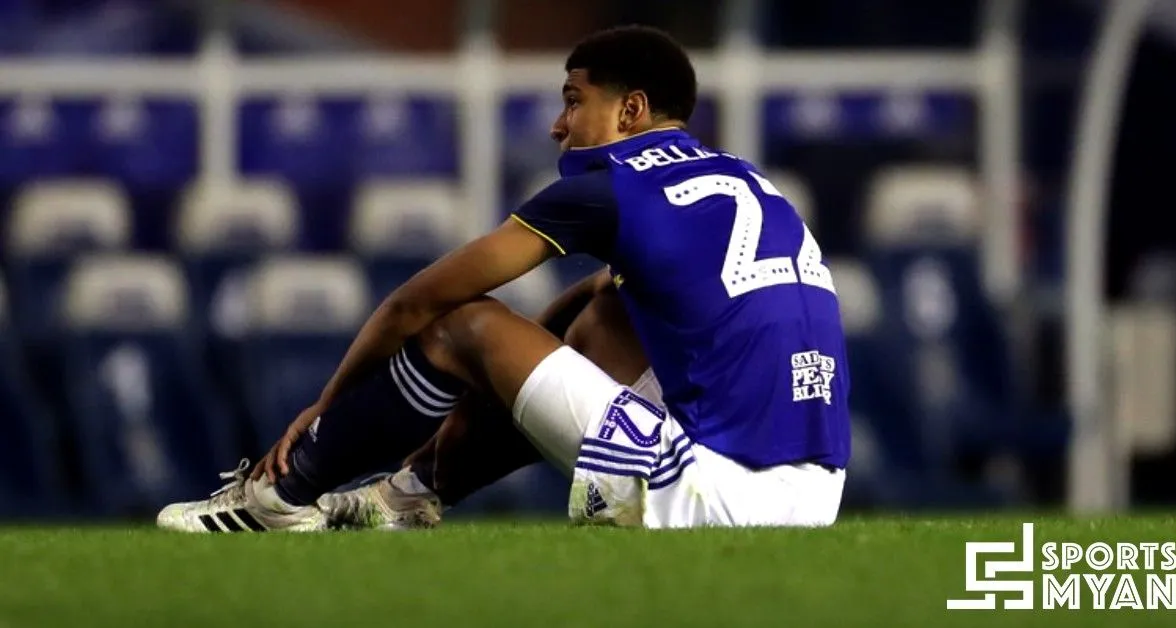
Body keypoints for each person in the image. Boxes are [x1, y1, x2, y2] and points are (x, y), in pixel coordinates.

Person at [156, 24, 850, 532]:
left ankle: (277, 499)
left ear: (630, 110)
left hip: (713, 493)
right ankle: (404, 498)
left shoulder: (612, 185)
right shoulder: (750, 180)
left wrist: (323, 409)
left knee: (463, 326)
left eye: (573, 100)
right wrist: (509, 377)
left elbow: (417, 302)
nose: (558, 125)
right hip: (817, 496)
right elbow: (597, 302)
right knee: (601, 316)